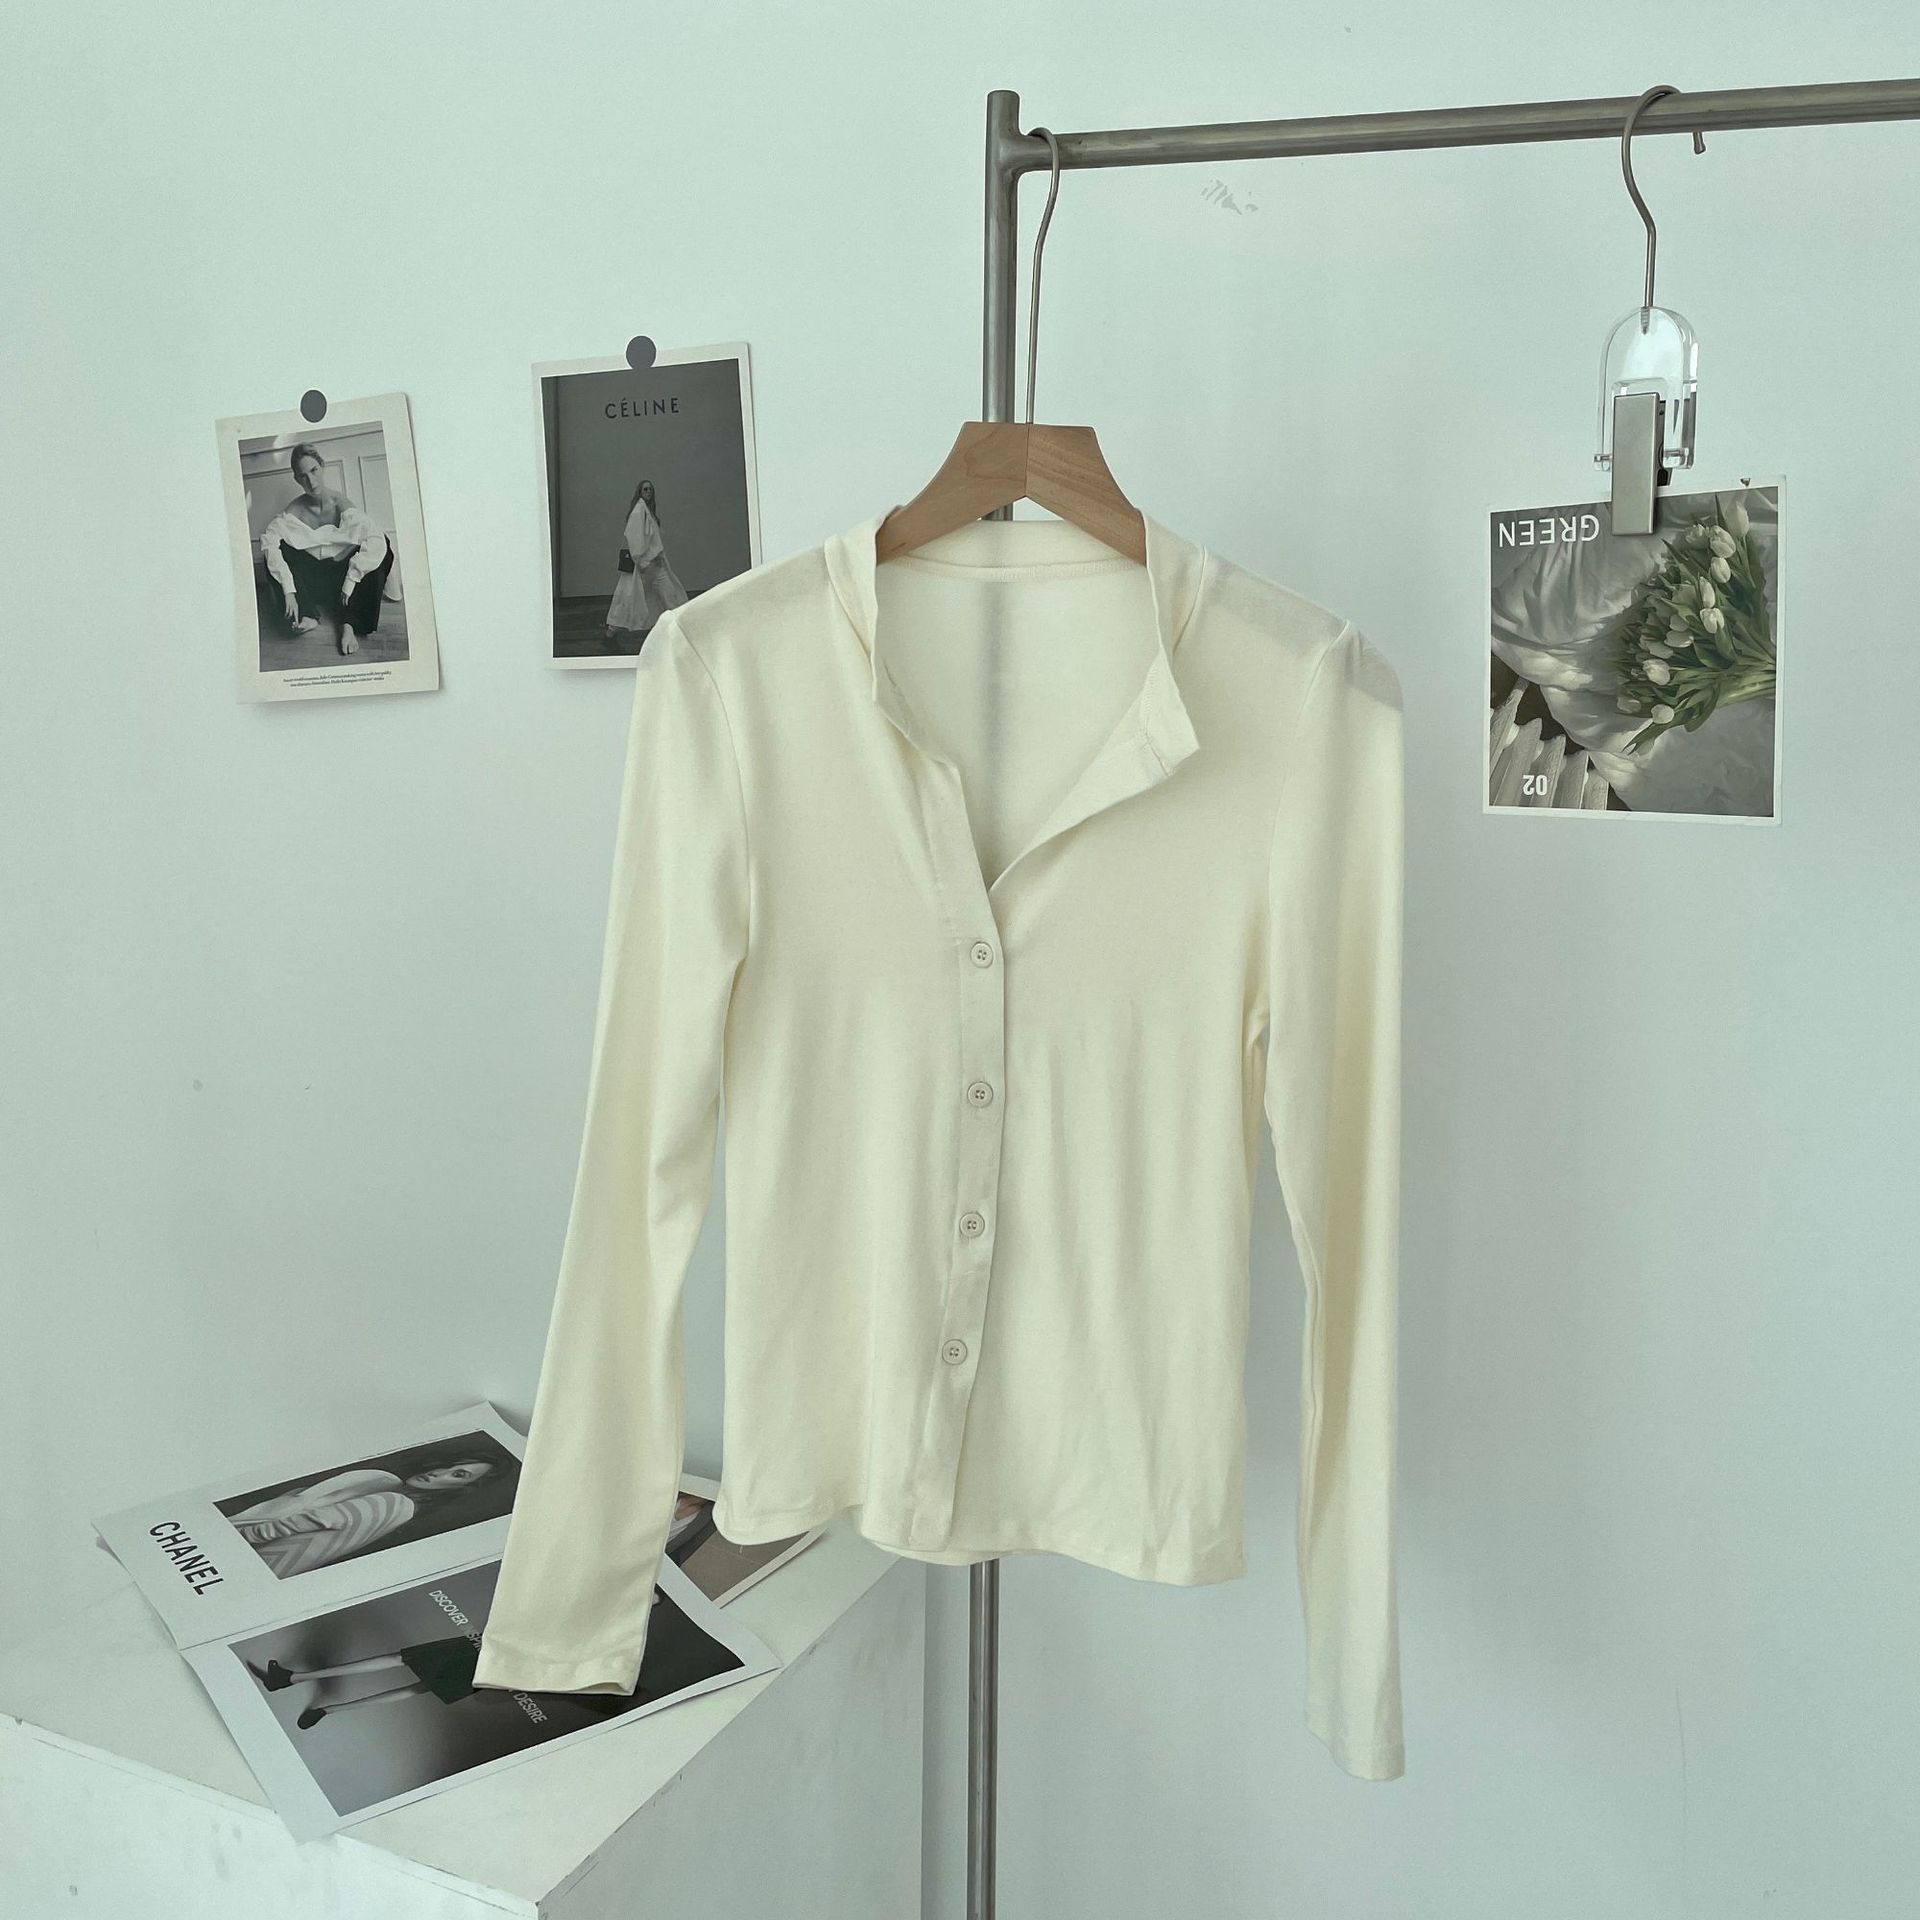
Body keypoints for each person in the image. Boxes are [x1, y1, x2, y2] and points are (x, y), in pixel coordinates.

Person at [229, 1457, 496, 1576]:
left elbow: (317, 1519)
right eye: (448, 1465)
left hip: (259, 1557)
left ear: (463, 1489)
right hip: (271, 1565)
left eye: (458, 1475)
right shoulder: (397, 1501)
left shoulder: (395, 1502)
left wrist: (244, 1537)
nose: (439, 1472)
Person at [259, 442, 396, 655]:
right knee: (273, 554)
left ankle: (348, 624)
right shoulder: (294, 511)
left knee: (384, 545)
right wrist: (289, 590)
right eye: (303, 476)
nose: (311, 481)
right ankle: (307, 614)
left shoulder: (341, 504)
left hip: (342, 582)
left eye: (314, 470)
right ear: (297, 479)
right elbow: (269, 543)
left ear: (322, 467)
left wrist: (350, 580)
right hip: (313, 583)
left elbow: (375, 538)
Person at [603, 477, 689, 650]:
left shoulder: (647, 511)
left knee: (669, 596)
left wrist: (654, 559)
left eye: (650, 489)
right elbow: (634, 538)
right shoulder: (639, 511)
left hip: (656, 566)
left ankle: (677, 636)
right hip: (645, 567)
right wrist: (642, 562)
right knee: (630, 601)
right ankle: (610, 635)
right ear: (639, 492)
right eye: (645, 489)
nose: (648, 492)